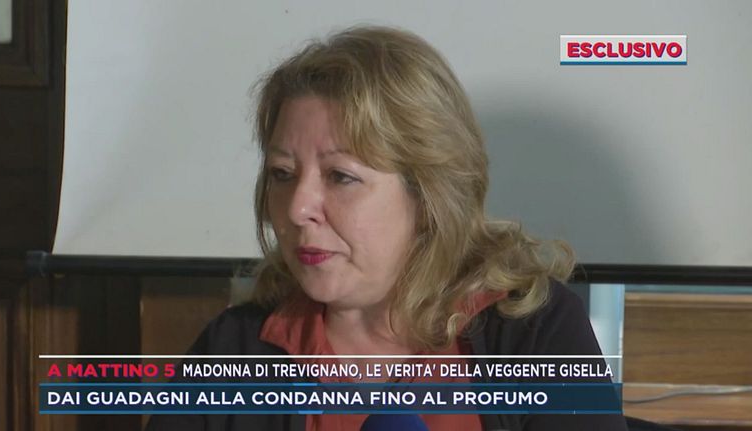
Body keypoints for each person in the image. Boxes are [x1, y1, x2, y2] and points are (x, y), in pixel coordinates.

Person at [147, 25, 627, 431]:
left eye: (341, 176)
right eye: (282, 174)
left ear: (428, 193)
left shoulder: (534, 333)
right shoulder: (233, 351)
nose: (297, 208)